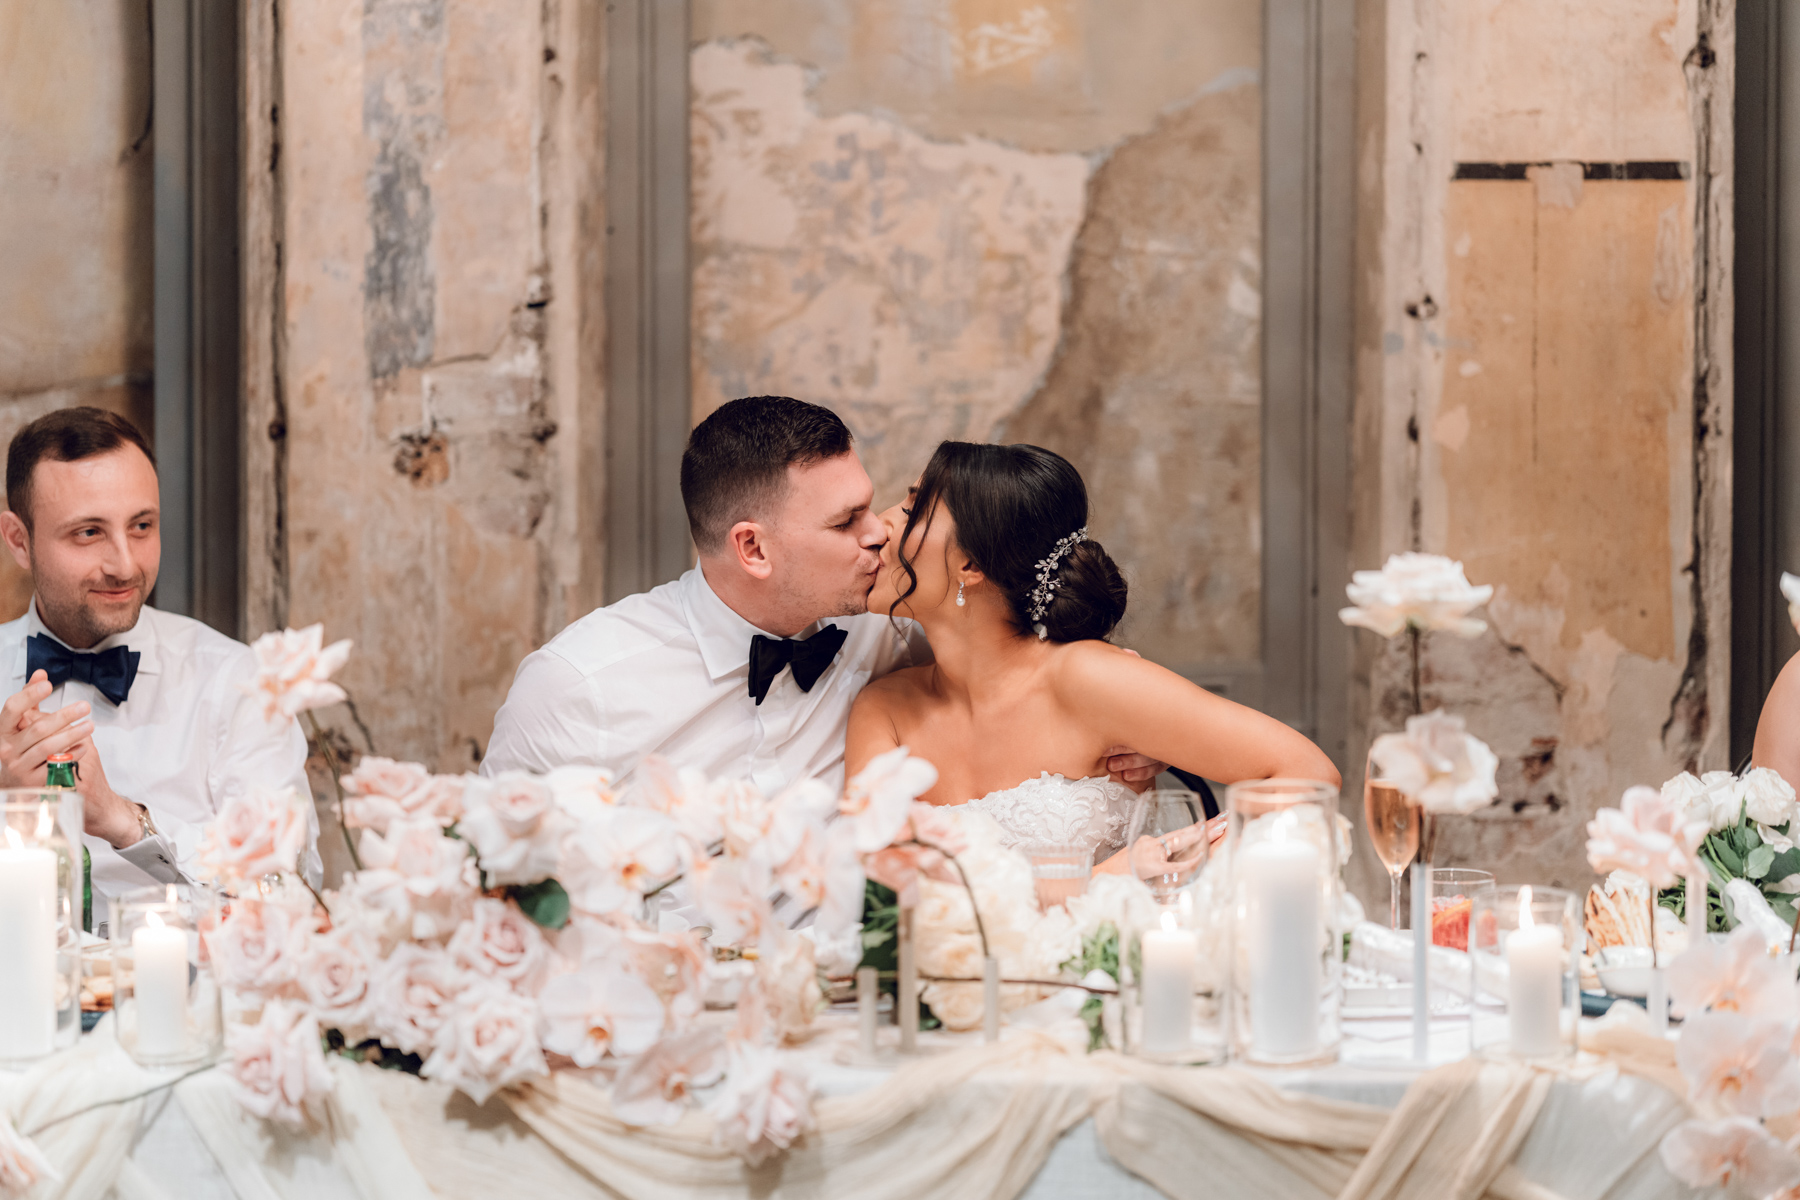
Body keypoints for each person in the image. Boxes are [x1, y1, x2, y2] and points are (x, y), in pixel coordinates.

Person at [482, 396, 1163, 796]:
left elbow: (1020, 661)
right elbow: (492, 895)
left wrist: (1131, 725)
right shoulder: (579, 688)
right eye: (845, 523)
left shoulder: (892, 625)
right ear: (753, 548)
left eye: (870, 505)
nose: (880, 535)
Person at [846, 441, 1340, 871]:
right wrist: (1094, 885)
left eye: (911, 509)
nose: (880, 526)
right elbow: (877, 894)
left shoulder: (1087, 678)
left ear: (971, 564)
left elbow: (1308, 773)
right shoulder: (884, 710)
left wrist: (1185, 861)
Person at [0, 407, 315, 904]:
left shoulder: (239, 683)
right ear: (19, 541)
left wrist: (122, 819)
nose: (125, 565)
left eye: (142, 525)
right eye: (89, 532)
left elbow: (289, 891)